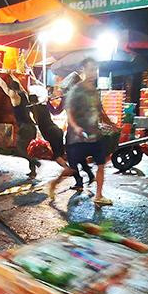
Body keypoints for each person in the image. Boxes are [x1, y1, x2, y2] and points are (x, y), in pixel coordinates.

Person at [47, 57, 118, 205]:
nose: (93, 73)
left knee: (100, 165)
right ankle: (54, 183)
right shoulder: (76, 90)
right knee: (72, 170)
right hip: (76, 138)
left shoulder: (95, 92)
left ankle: (98, 196)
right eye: (90, 69)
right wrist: (76, 126)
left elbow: (100, 112)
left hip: (94, 135)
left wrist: (112, 124)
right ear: (83, 71)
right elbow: (69, 111)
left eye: (95, 70)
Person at [0, 71, 40, 178]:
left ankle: (35, 162)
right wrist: (11, 75)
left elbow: (3, 86)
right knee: (28, 149)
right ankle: (33, 171)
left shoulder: (13, 95)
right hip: (31, 126)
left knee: (19, 149)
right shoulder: (24, 94)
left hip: (25, 127)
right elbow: (19, 83)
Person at [27, 93, 69, 171]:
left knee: (56, 156)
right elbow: (54, 112)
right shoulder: (44, 106)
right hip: (57, 129)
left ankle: (68, 169)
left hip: (51, 133)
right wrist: (48, 102)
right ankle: (70, 167)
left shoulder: (32, 109)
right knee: (61, 154)